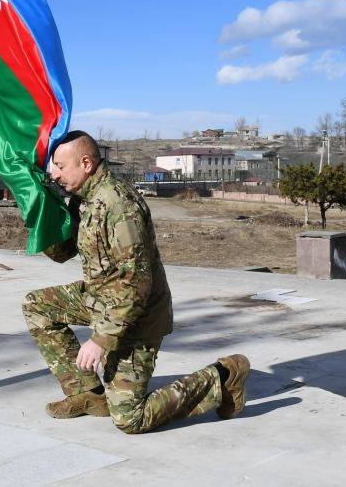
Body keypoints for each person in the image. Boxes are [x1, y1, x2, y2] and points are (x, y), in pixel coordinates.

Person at [22, 130, 249, 434]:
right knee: (38, 306)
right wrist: (39, 213)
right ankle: (87, 393)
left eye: (60, 166)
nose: (54, 173)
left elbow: (135, 283)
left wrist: (100, 340)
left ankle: (223, 376)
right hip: (102, 301)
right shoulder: (85, 199)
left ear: (86, 163)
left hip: (137, 317)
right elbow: (63, 253)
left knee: (130, 418)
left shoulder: (118, 204)